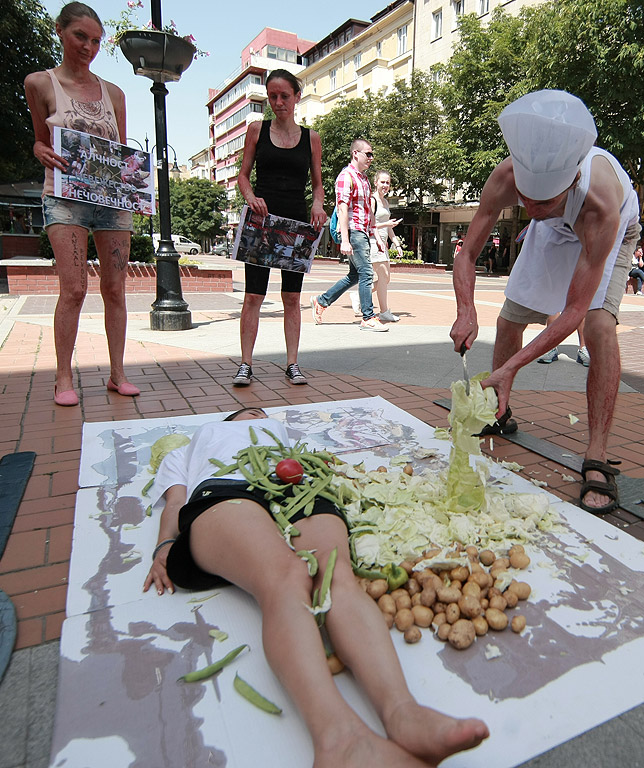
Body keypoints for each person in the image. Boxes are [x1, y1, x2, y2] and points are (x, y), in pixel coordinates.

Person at [143, 407, 489, 767]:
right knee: (287, 576)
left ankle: (404, 713)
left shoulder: (280, 433)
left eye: (262, 413)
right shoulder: (201, 438)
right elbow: (174, 499)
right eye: (249, 412)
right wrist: (164, 544)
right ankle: (338, 737)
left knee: (335, 575)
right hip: (226, 489)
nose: (258, 414)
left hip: (296, 486)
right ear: (228, 422)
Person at [451, 90, 640, 515]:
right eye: (526, 198)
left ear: (570, 181)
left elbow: (572, 313)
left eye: (543, 200)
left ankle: (596, 456)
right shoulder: (511, 179)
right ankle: (498, 409)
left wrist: (509, 367)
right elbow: (466, 253)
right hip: (557, 228)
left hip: (604, 233)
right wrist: (466, 308)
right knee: (508, 320)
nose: (530, 209)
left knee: (597, 326)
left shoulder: (600, 200)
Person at [24, 2, 139, 406]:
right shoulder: (39, 83)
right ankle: (62, 377)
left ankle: (118, 373)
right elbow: (40, 138)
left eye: (95, 40)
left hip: (110, 200)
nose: (88, 46)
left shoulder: (114, 93)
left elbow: (121, 152)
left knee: (115, 287)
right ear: (60, 31)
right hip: (64, 196)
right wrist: (40, 148)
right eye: (80, 37)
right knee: (73, 287)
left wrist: (136, 183)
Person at [234, 70, 326, 387]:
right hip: (262, 221)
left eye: (284, 95)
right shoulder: (256, 130)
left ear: (297, 96)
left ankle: (292, 363)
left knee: (291, 296)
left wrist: (317, 205)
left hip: (296, 222)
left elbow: (318, 185)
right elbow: (243, 177)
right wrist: (251, 198)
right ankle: (246, 363)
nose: (278, 102)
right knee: (253, 296)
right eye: (272, 96)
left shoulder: (311, 138)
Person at [311, 139, 388, 332]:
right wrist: (345, 239)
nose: (371, 158)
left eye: (372, 154)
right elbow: (343, 209)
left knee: (355, 275)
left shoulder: (363, 179)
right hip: (353, 231)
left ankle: (321, 301)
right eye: (367, 154)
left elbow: (368, 211)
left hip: (362, 232)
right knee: (367, 273)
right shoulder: (346, 177)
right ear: (355, 154)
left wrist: (376, 236)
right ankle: (368, 317)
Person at [350, 169, 402, 322]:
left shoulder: (385, 202)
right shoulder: (372, 200)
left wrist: (396, 243)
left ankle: (359, 296)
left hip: (382, 244)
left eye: (388, 182)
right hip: (373, 242)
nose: (385, 185)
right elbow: (369, 224)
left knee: (385, 279)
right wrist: (385, 226)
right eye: (383, 182)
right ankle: (384, 311)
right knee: (383, 276)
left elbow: (388, 226)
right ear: (376, 182)